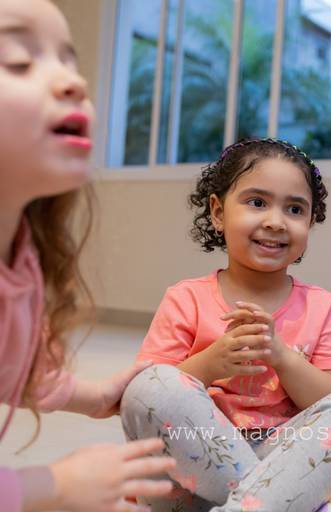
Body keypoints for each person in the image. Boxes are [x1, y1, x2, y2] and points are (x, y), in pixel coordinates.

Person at [121, 138, 331, 511]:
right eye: (257, 203)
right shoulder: (185, 298)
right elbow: (147, 399)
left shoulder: (319, 305)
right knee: (148, 383)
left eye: (294, 209)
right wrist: (212, 363)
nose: (275, 221)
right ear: (218, 213)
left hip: (281, 463)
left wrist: (282, 357)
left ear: (310, 223)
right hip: (185, 481)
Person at [0, 1, 177, 510]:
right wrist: (52, 485)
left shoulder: (22, 256)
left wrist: (94, 397)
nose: (73, 83)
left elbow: (14, 369)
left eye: (68, 60)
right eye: (18, 60)